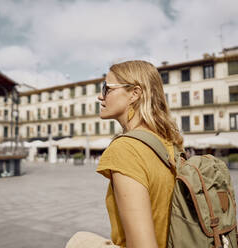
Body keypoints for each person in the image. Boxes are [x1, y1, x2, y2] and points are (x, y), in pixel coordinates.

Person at [65, 60, 183, 248]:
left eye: (106, 88)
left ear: (134, 94)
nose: (99, 96)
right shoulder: (170, 145)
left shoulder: (127, 149)